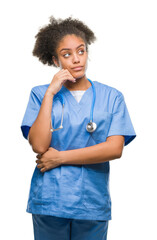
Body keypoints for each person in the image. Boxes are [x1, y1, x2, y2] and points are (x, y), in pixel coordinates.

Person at [21, 16, 136, 240]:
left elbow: (114, 149)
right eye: (67, 55)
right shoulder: (40, 94)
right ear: (55, 60)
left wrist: (60, 158)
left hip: (91, 201)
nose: (76, 60)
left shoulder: (111, 97)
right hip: (50, 200)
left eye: (81, 51)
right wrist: (50, 94)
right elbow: (39, 145)